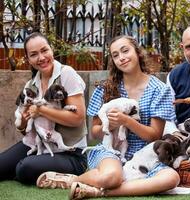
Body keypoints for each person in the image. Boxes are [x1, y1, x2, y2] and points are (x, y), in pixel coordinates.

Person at [36, 35, 180, 199]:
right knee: (112, 177)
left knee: (171, 178)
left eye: (125, 51)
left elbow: (154, 135)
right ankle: (80, 180)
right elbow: (95, 132)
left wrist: (127, 121)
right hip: (112, 150)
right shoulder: (106, 88)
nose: (122, 58)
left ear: (138, 52)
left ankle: (95, 190)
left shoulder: (159, 89)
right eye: (116, 55)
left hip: (146, 154)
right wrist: (111, 125)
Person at [0, 32, 88, 185]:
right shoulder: (31, 85)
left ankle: (70, 175)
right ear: (28, 59)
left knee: (24, 168)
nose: (41, 58)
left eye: (44, 50)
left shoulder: (66, 74)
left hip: (71, 153)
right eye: (34, 54)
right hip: (37, 144)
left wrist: (40, 110)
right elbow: (25, 129)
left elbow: (78, 118)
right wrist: (22, 124)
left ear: (51, 49)